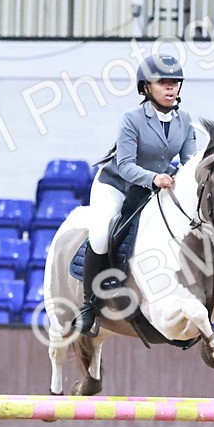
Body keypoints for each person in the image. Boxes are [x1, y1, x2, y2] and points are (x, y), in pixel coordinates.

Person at [73, 52, 197, 336]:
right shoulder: (131, 119)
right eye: (162, 82)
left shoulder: (185, 121)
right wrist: (155, 177)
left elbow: (189, 163)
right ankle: (89, 306)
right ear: (146, 87)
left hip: (154, 188)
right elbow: (126, 165)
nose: (170, 87)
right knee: (102, 234)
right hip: (117, 184)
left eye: (175, 82)